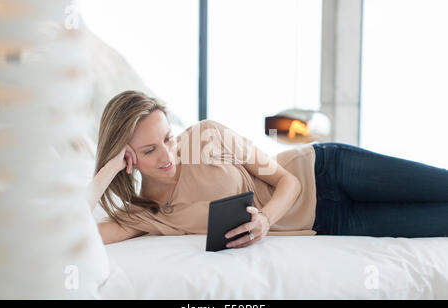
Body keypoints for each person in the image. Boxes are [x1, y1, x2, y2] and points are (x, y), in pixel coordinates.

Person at [89, 90, 448, 247]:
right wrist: (107, 169)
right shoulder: (147, 216)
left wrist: (264, 221)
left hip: (327, 169)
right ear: (127, 159)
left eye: (168, 137)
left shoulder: (205, 136)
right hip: (328, 222)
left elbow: (286, 181)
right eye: (149, 151)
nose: (168, 154)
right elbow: (76, 234)